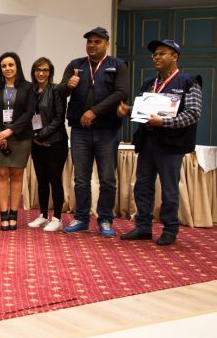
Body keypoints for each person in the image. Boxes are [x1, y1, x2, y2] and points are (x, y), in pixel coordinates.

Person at [120, 39, 201, 246]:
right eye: (155, 54)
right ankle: (143, 227)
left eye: (162, 53)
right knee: (142, 186)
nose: (156, 57)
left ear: (175, 57)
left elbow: (193, 114)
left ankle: (170, 229)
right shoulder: (149, 83)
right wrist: (127, 110)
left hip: (171, 144)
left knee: (169, 189)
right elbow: (141, 110)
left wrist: (164, 121)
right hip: (147, 141)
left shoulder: (189, 81)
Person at [59, 27, 129, 238]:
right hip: (80, 131)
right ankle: (81, 218)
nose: (92, 45)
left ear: (107, 43)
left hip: (107, 130)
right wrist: (67, 86)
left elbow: (122, 92)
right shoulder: (75, 65)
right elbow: (59, 91)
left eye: (97, 42)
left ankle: (105, 219)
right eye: (89, 41)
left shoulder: (117, 65)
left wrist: (94, 111)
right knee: (81, 179)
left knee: (107, 179)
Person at [0, 52, 35, 231]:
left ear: (17, 66)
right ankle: (3, 214)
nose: (7, 69)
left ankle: (14, 214)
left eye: (11, 65)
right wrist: (0, 134)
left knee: (16, 175)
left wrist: (10, 130)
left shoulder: (28, 87)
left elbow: (29, 113)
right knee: (1, 174)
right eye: (4, 66)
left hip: (20, 137)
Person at [27, 57, 68, 232]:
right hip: (36, 143)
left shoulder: (57, 90)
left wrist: (41, 136)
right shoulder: (32, 91)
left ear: (50, 72)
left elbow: (59, 119)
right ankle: (43, 215)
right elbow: (29, 117)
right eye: (38, 70)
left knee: (54, 181)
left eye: (45, 70)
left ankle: (57, 218)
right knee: (41, 181)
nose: (41, 73)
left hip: (55, 143)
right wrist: (34, 137)